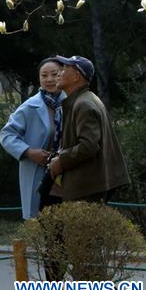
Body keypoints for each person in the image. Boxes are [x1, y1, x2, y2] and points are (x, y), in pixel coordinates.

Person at [48, 55, 130, 202]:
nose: (58, 73)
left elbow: (89, 146)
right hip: (90, 184)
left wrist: (61, 160)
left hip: (87, 186)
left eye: (65, 69)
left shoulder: (83, 104)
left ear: (76, 77)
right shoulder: (86, 99)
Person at [0, 58, 65, 218]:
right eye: (44, 75)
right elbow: (6, 135)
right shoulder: (30, 106)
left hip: (67, 173)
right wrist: (28, 152)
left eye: (54, 74)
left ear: (63, 75)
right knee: (45, 225)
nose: (49, 79)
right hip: (42, 177)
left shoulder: (71, 102)